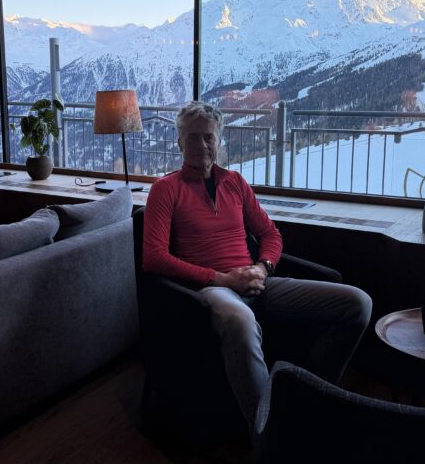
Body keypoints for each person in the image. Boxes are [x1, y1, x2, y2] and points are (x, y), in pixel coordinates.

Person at [142, 101, 372, 427]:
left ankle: (307, 396)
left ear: (218, 141)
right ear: (179, 142)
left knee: (357, 303)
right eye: (192, 137)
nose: (202, 145)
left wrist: (262, 268)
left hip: (257, 281)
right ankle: (266, 431)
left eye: (208, 137)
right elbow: (154, 258)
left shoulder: (235, 182)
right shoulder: (165, 189)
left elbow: (270, 234)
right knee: (240, 319)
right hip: (211, 290)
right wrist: (222, 279)